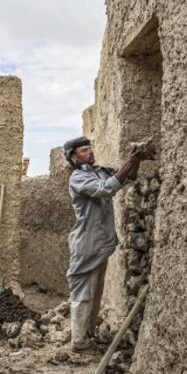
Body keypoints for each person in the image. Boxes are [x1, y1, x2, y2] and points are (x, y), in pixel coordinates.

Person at [63, 136, 144, 351]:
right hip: (87, 243)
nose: (89, 152)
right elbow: (106, 189)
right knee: (82, 289)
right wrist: (130, 161)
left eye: (90, 149)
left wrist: (135, 160)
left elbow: (127, 177)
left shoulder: (99, 171)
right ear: (74, 157)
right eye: (83, 150)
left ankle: (88, 335)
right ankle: (78, 341)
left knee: (96, 289)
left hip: (100, 243)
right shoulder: (78, 178)